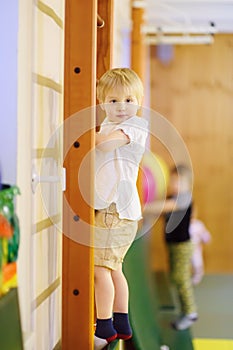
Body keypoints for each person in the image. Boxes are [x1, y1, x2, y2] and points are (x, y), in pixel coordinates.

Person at [94, 68, 148, 349]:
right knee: (113, 267)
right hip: (110, 208)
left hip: (116, 209)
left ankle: (103, 327)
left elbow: (104, 146)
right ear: (102, 101)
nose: (121, 107)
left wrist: (80, 135)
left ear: (139, 101)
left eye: (128, 100)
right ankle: (121, 320)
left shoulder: (135, 126)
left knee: (99, 268)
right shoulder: (106, 124)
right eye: (113, 100)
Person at [146, 164, 198, 330]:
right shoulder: (172, 197)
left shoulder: (184, 198)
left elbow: (165, 207)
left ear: (187, 185)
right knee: (176, 278)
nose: (175, 186)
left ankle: (190, 313)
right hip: (173, 245)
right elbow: (163, 212)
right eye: (173, 182)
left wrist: (142, 208)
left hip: (183, 245)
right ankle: (186, 311)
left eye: (179, 183)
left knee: (181, 278)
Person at [189, 210, 211, 285]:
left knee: (197, 262)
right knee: (187, 263)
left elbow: (204, 234)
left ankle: (197, 276)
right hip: (186, 248)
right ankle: (188, 276)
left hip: (196, 248)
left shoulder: (199, 224)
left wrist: (206, 239)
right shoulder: (185, 224)